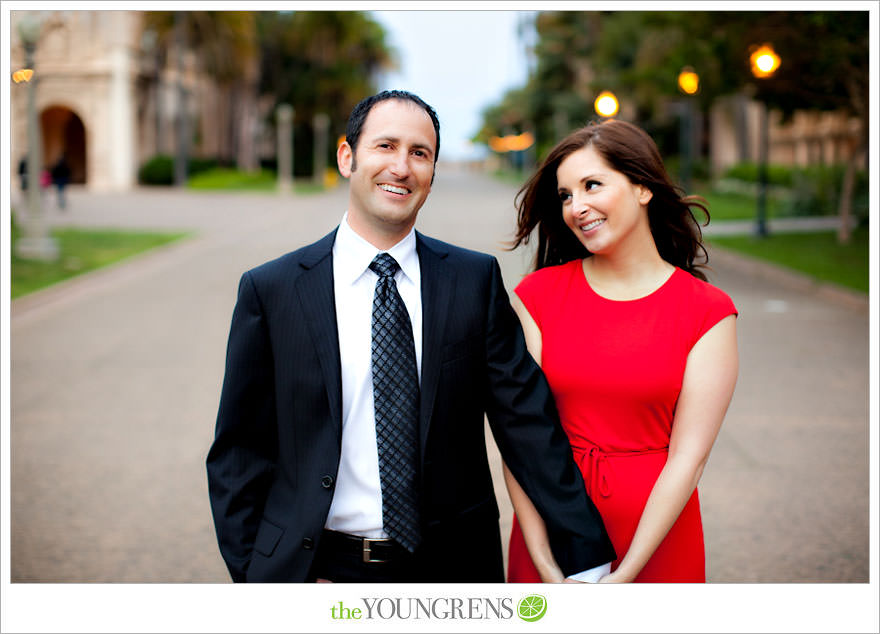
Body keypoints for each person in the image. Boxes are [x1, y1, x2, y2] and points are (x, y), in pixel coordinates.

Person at [206, 90, 615, 583]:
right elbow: (239, 452)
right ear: (347, 157)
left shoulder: (473, 281)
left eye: (419, 153)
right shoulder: (271, 290)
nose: (401, 167)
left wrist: (585, 557)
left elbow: (528, 426)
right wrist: (259, 576)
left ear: (432, 173)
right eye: (385, 146)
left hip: (453, 572)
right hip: (318, 570)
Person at [504, 119, 738, 583]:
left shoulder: (708, 312)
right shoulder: (538, 297)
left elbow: (688, 459)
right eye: (566, 195)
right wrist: (543, 559)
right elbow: (520, 439)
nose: (577, 207)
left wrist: (625, 574)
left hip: (658, 541)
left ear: (643, 189)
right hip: (552, 533)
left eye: (592, 185)